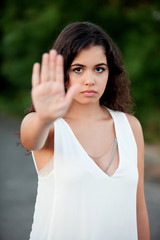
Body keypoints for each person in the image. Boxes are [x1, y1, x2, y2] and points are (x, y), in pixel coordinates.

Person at [20, 22, 150, 240]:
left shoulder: (130, 126)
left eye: (99, 69)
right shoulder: (48, 126)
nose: (90, 80)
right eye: (78, 69)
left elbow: (139, 208)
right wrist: (44, 116)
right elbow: (30, 140)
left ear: (110, 72)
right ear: (63, 73)